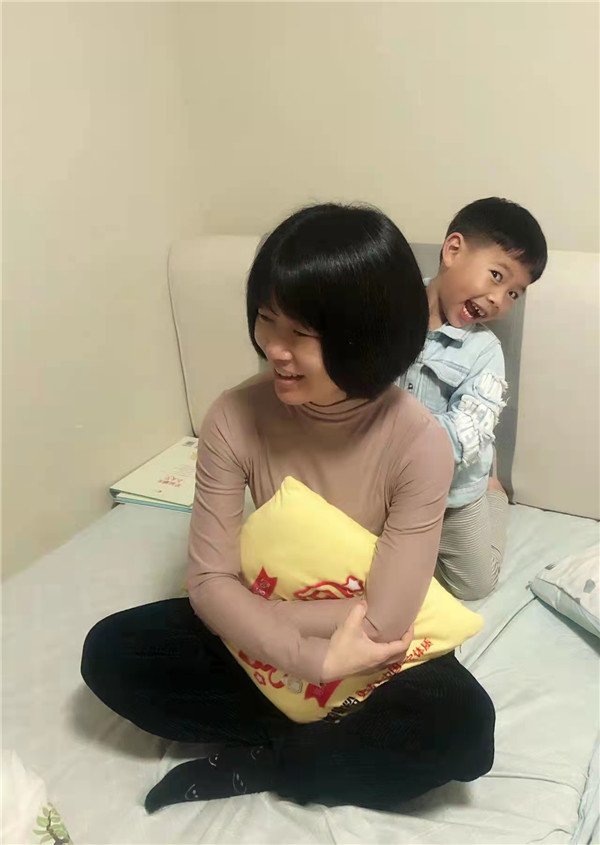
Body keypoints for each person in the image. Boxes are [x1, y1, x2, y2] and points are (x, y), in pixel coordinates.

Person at [81, 203, 495, 813]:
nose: (274, 349)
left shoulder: (419, 442)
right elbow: (210, 581)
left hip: (372, 646)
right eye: (266, 320)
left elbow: (385, 620)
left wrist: (279, 628)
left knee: (463, 729)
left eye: (301, 334)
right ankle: (331, 744)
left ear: (368, 335)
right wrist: (307, 657)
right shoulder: (233, 416)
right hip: (273, 629)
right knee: (112, 653)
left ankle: (273, 762)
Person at [397, 198, 547, 600]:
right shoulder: (388, 312)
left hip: (453, 491)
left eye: (513, 293)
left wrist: (388, 442)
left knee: (474, 586)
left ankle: (493, 493)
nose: (499, 299)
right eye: (496, 276)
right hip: (383, 485)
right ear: (453, 250)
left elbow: (460, 437)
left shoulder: (484, 352)